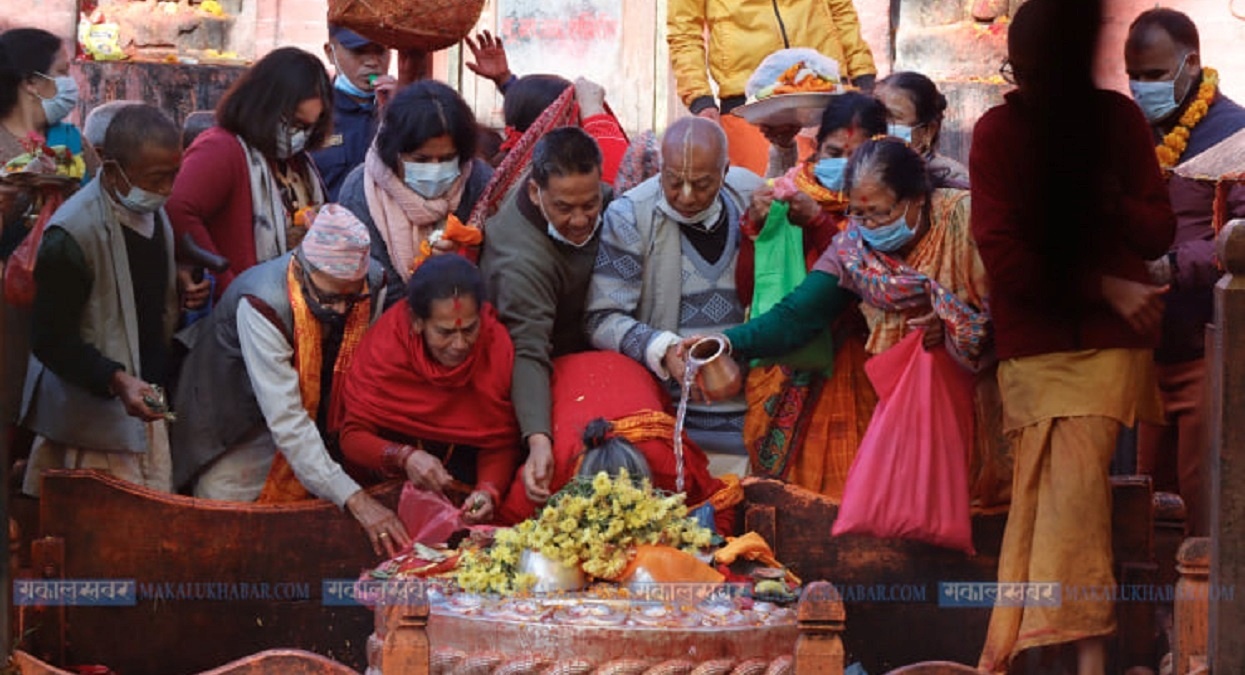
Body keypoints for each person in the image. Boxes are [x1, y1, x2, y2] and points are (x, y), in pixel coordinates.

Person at [971, 0, 1175, 671]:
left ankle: (1079, 654)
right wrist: (1103, 285)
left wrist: (1110, 198)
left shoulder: (1116, 121)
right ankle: (1070, 650)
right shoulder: (996, 134)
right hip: (1034, 343)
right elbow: (1004, 260)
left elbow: (1157, 232)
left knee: (1076, 487)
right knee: (1050, 497)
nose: (1028, 87)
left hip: (1109, 348)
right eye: (1018, 73)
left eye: (1041, 74)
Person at [718, 137, 1003, 505]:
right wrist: (726, 343)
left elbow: (1015, 305)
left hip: (989, 403)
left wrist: (952, 327)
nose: (869, 225)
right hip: (912, 417)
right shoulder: (855, 248)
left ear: (917, 199)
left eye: (881, 213)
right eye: (858, 213)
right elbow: (796, 316)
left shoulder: (967, 219)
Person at [172, 204, 409, 557]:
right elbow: (288, 422)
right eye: (330, 298)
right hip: (234, 418)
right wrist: (355, 499)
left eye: (351, 298)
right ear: (301, 269)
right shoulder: (261, 301)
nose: (342, 311)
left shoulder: (372, 283)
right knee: (228, 534)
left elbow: (362, 372)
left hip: (311, 413)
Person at [19, 104, 182, 497]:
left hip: (143, 404)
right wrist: (114, 378)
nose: (165, 190)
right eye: (157, 179)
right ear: (111, 170)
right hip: (89, 422)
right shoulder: (73, 234)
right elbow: (49, 339)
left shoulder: (152, 213)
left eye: (173, 177)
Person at [585, 117, 763, 476]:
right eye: (673, 181)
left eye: (701, 184)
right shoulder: (630, 215)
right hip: (672, 423)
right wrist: (663, 348)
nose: (685, 195)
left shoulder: (751, 197)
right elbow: (600, 318)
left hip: (755, 418)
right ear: (660, 168)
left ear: (725, 171)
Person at [1124, 7, 1245, 538]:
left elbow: (1240, 236)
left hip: (1206, 346)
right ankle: (1151, 617)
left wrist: (1169, 265)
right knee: (1143, 498)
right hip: (1140, 348)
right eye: (1134, 76)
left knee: (1202, 502)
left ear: (1191, 63)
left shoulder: (1236, 133)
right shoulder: (1131, 132)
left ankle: (1205, 615)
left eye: (1153, 75)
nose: (1140, 87)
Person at [731, 92, 886, 498]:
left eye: (859, 155)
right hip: (787, 368)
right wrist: (755, 231)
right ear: (817, 149)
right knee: (784, 501)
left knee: (857, 493)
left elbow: (864, 288)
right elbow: (750, 292)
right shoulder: (786, 193)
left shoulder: (887, 208)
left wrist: (819, 224)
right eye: (835, 152)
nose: (846, 166)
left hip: (857, 363)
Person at [477, 127, 611, 505]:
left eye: (590, 204)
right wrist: (538, 439)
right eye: (565, 209)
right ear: (535, 192)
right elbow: (528, 351)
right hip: (540, 368)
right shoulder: (520, 260)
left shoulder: (604, 201)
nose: (582, 220)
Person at [339, 254, 521, 526]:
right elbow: (352, 437)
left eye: (470, 329)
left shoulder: (496, 349)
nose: (460, 344)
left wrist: (488, 491)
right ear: (417, 322)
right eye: (445, 332)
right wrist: (403, 457)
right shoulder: (385, 351)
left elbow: (500, 440)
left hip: (463, 491)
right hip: (386, 499)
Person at [495, 350, 741, 534]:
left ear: (650, 486)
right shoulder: (549, 470)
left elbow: (722, 500)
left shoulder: (670, 465)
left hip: (630, 370)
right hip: (560, 375)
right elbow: (505, 525)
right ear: (576, 486)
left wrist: (708, 544)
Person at [0, 28, 100, 465]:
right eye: (61, 73)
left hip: (64, 310)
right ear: (29, 81)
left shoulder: (72, 142)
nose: (69, 84)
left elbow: (107, 201)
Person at [166, 47, 332, 295]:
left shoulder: (297, 162)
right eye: (294, 122)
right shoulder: (223, 148)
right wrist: (224, 280)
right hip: (244, 308)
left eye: (308, 127)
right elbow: (177, 208)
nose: (299, 135)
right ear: (264, 104)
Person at [667, 0, 877, 176]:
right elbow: (684, 32)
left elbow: (841, 11)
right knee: (765, 205)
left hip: (826, 92)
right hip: (751, 107)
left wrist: (863, 76)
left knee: (843, 204)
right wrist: (700, 99)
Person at [337, 81, 493, 303]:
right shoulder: (360, 191)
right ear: (394, 153)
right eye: (421, 160)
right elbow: (366, 286)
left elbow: (497, 271)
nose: (435, 168)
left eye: (448, 159)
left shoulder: (480, 183)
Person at [309, 24, 395, 201]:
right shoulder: (313, 114)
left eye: (380, 50)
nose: (372, 62)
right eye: (359, 51)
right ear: (330, 53)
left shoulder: (402, 109)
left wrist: (399, 112)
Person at [875, 71, 970, 189]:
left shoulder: (953, 179)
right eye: (877, 115)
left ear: (928, 131)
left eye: (893, 117)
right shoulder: (863, 171)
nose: (881, 125)